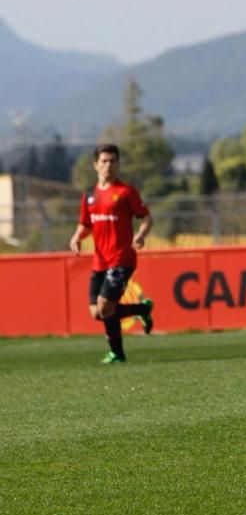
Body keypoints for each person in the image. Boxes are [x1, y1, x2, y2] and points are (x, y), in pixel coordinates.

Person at [69, 144, 154, 364]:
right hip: (100, 261)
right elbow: (86, 224)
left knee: (106, 307)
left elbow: (146, 217)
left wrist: (141, 235)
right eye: (104, 161)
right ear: (95, 165)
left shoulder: (126, 192)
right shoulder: (89, 195)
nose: (108, 165)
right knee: (96, 313)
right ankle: (142, 309)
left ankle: (117, 353)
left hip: (122, 259)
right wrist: (77, 237)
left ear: (118, 164)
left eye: (112, 161)